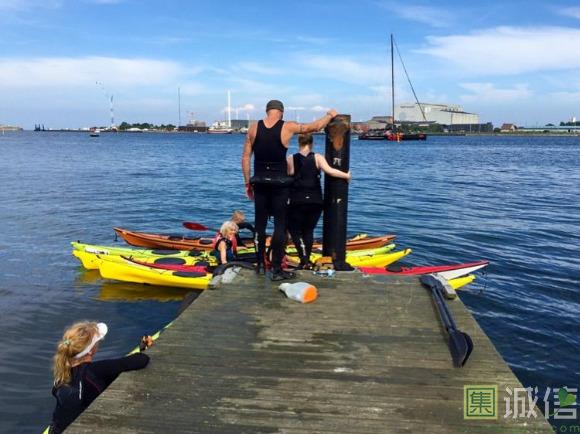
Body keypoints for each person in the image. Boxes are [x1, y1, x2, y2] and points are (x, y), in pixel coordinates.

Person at [242, 99, 338, 280]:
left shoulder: (253, 129)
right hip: (280, 183)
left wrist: (248, 183)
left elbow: (245, 158)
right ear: (282, 112)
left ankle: (260, 265)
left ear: (267, 111)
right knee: (280, 225)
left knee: (260, 225)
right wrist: (329, 115)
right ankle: (276, 269)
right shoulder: (287, 126)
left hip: (260, 182)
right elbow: (314, 127)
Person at [49, 322, 153, 433]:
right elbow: (142, 360)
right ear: (90, 351)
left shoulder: (62, 374)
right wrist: (143, 349)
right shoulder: (97, 370)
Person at [287, 133, 351, 269]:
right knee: (308, 230)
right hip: (315, 200)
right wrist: (346, 175)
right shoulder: (317, 157)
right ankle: (307, 259)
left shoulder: (291, 158)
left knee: (295, 230)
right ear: (311, 143)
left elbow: (287, 176)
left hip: (297, 200)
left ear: (298, 143)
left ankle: (303, 259)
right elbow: (330, 171)